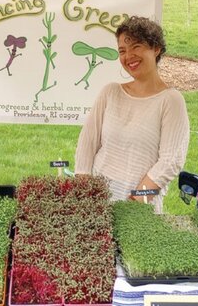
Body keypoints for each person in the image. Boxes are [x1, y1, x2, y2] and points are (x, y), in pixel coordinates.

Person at [75, 16, 189, 213]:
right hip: (97, 199)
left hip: (140, 204)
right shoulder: (110, 92)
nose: (129, 56)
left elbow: (171, 161)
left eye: (136, 47)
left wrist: (136, 202)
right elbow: (87, 143)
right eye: (122, 51)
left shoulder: (171, 100)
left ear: (156, 48)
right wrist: (85, 194)